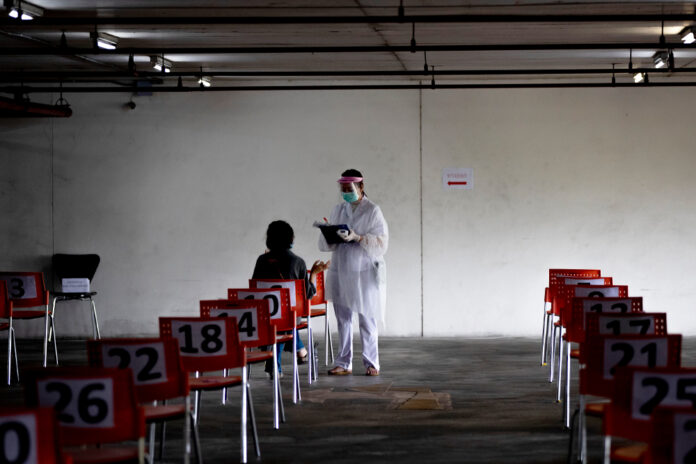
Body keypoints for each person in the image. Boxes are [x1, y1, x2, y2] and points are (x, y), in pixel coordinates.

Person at [318, 169, 388, 376]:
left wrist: (358, 237)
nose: (346, 192)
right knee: (343, 318)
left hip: (364, 271)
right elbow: (327, 244)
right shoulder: (339, 209)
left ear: (361, 187)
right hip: (341, 268)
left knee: (367, 317)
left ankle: (371, 362)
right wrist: (329, 233)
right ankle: (343, 362)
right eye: (343, 189)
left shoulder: (373, 211)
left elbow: (382, 244)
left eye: (350, 189)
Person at [253, 220, 329, 377]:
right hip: (291, 317)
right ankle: (295, 354)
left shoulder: (261, 260)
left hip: (264, 315)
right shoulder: (298, 262)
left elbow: (254, 289)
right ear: (290, 239)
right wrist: (313, 274)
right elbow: (308, 295)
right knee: (286, 319)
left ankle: (290, 357)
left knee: (279, 320)